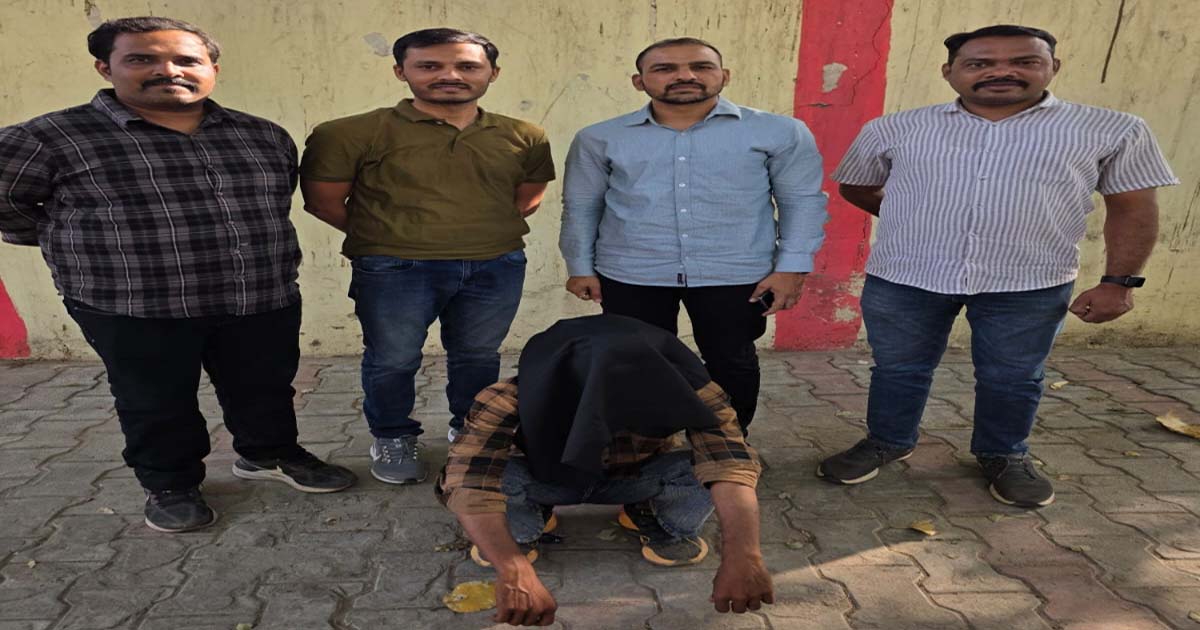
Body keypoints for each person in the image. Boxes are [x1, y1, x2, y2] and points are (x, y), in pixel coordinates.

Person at [0, 17, 357, 533]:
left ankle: (268, 454)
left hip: (258, 294)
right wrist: (65, 238)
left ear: (212, 68)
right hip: (134, 303)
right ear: (105, 67)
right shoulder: (47, 138)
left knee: (264, 387)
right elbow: (10, 205)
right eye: (141, 59)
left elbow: (273, 201)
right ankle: (170, 483)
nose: (169, 71)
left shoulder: (261, 134)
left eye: (187, 60)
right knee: (156, 400)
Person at [820, 24, 1179, 507]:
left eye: (1024, 61)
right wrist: (917, 217)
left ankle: (1004, 454)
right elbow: (857, 185)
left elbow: (1132, 208)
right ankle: (888, 440)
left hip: (1029, 281)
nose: (1001, 72)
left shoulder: (1112, 130)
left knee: (1013, 377)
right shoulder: (894, 129)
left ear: (1053, 67)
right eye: (980, 63)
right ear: (950, 72)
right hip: (906, 277)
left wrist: (1119, 283)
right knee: (898, 368)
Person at [300, 28, 555, 485]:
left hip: (495, 265)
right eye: (430, 66)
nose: (450, 75)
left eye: (467, 66)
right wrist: (392, 236)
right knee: (393, 359)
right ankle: (393, 435)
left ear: (493, 73)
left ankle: (472, 432)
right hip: (394, 269)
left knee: (478, 356)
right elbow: (323, 202)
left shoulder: (524, 135)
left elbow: (527, 198)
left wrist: (475, 231)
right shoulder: (350, 132)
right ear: (401, 71)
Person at [559, 37, 827, 434]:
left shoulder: (779, 131)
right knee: (638, 361)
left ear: (724, 75)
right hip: (633, 269)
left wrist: (792, 267)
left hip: (736, 270)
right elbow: (582, 205)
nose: (685, 76)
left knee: (731, 360)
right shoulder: (600, 138)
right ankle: (650, 445)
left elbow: (801, 201)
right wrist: (580, 266)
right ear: (639, 81)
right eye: (665, 68)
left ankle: (726, 446)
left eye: (700, 66)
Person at [438, 314, 774, 626]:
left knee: (712, 468)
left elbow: (730, 462)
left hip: (634, 478)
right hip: (545, 479)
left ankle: (649, 515)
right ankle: (526, 525)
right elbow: (468, 481)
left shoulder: (693, 389)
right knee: (487, 475)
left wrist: (745, 554)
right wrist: (512, 568)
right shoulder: (505, 397)